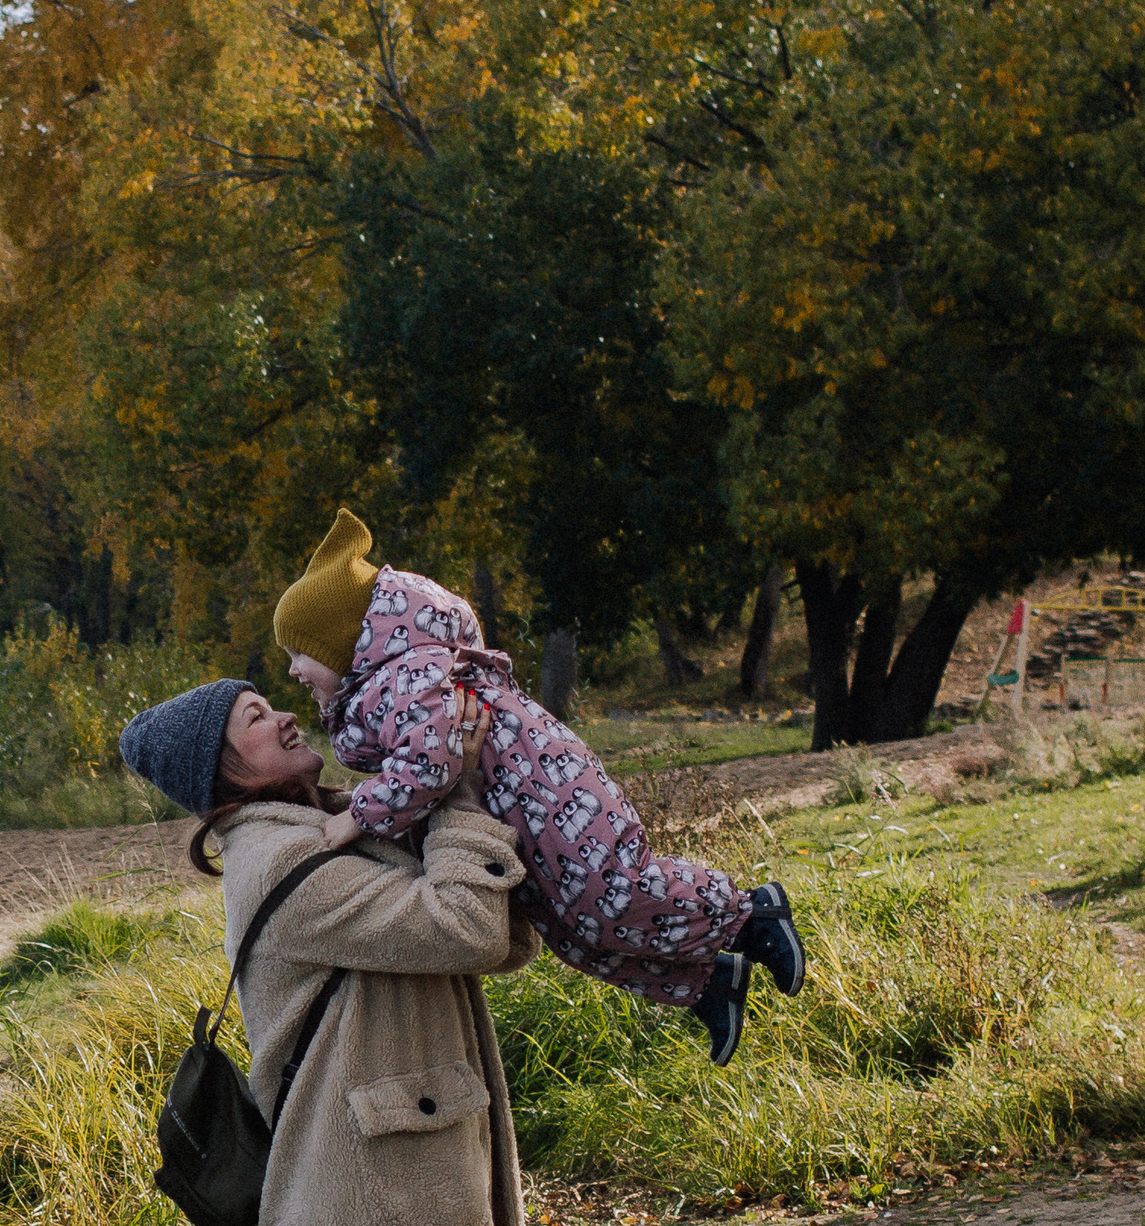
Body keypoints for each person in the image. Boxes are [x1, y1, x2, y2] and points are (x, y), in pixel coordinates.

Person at [273, 509, 806, 1064]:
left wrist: (357, 816)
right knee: (571, 933)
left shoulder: (407, 675)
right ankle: (707, 982)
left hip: (551, 793)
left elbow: (428, 764)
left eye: (298, 653)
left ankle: (750, 916)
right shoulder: (387, 684)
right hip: (522, 819)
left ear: (340, 640)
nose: (292, 671)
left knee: (614, 894)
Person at [122, 677, 537, 1226]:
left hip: (400, 1185)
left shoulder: (332, 830)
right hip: (374, 1199)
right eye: (256, 718)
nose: (286, 717)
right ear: (221, 770)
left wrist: (420, 790)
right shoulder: (282, 861)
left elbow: (502, 941)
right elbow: (468, 929)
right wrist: (458, 792)